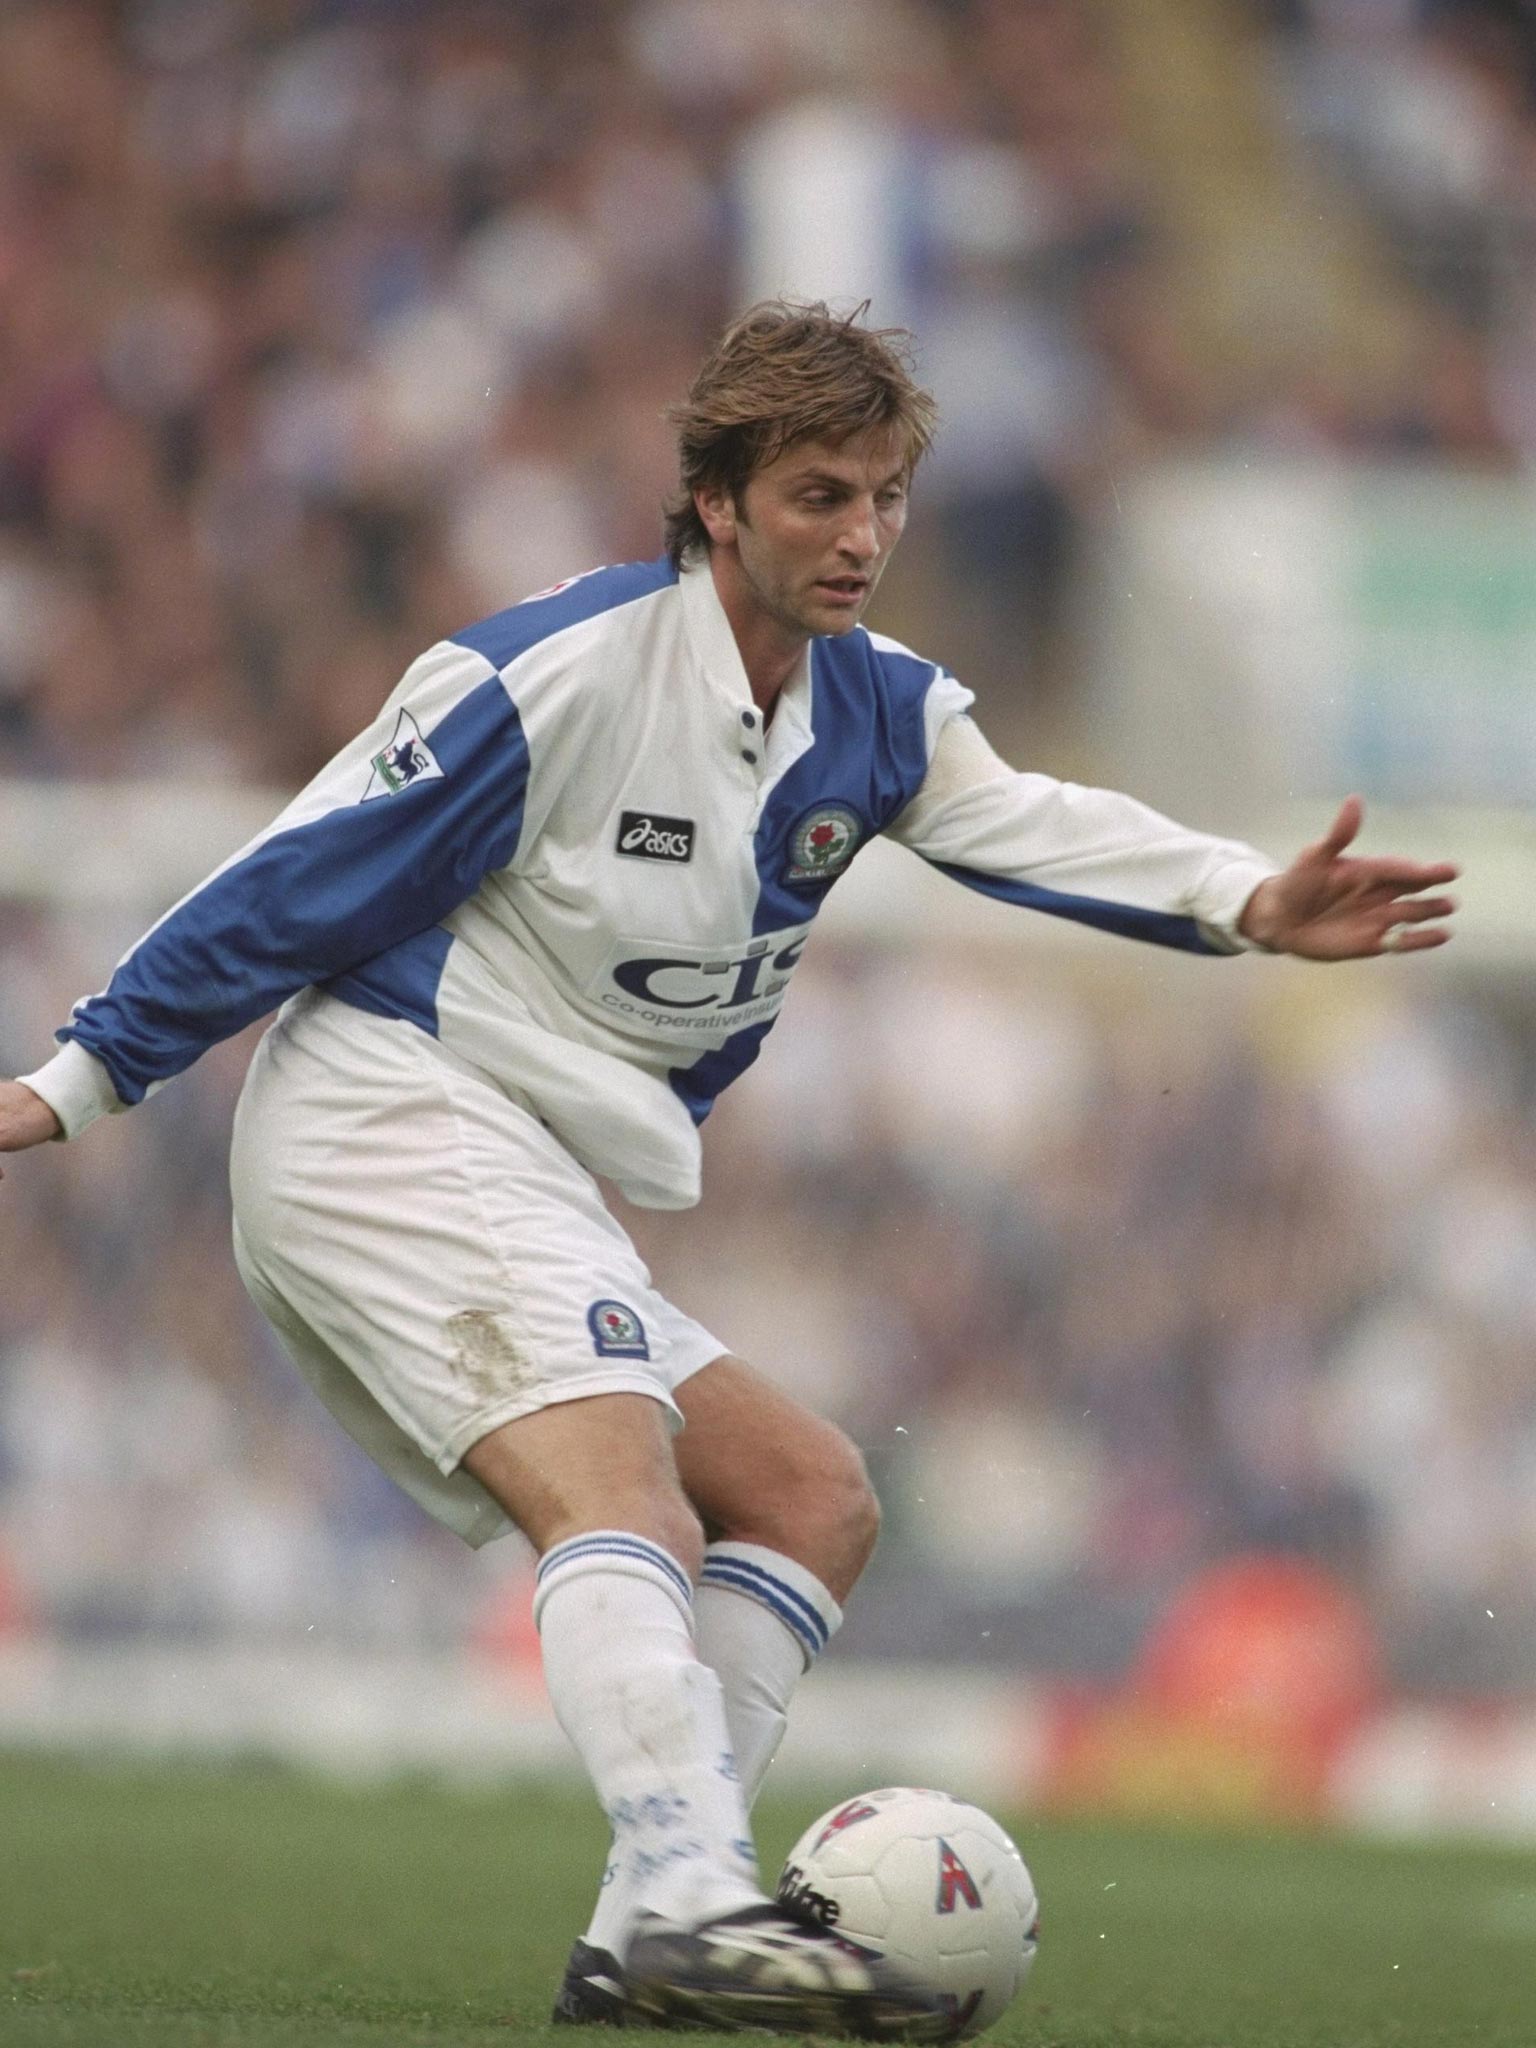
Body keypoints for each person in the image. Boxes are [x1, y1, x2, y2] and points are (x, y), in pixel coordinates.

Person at [0, 302, 1456, 2036]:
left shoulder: (878, 714)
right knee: (627, 1491)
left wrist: (1246, 899)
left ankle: (640, 1947)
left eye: (888, 498)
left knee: (815, 1495)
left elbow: (1044, 826)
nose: (861, 538)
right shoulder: (553, 672)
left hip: (531, 1160)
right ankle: (695, 1886)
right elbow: (296, 874)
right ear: (716, 502)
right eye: (820, 496)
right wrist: (76, 1077)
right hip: (388, 1112)